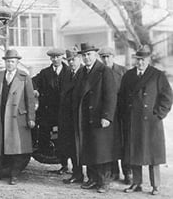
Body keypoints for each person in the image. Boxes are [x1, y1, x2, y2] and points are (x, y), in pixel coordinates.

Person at [119, 47, 172, 196]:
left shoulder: (157, 75)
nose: (140, 62)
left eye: (143, 59)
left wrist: (158, 114)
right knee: (134, 153)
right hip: (133, 121)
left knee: (152, 155)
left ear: (148, 60)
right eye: (138, 59)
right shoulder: (128, 76)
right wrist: (125, 116)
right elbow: (122, 97)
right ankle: (137, 183)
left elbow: (167, 97)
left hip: (151, 122)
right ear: (135, 59)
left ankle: (155, 186)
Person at [0, 49, 35, 185]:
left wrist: (31, 118)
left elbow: (30, 99)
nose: (10, 64)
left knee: (16, 149)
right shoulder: (0, 76)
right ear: (5, 62)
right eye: (7, 61)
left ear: (17, 62)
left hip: (17, 119)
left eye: (12, 61)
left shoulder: (24, 77)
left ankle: (14, 175)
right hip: (0, 117)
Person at [73, 43, 119, 193]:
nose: (86, 58)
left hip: (100, 117)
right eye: (84, 55)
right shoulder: (81, 72)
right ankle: (92, 178)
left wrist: (107, 116)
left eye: (89, 54)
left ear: (95, 55)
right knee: (89, 149)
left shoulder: (104, 71)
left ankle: (104, 181)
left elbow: (111, 96)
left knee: (102, 150)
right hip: (85, 117)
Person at [32, 48, 70, 174]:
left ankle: (66, 165)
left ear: (62, 57)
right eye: (53, 57)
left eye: (58, 57)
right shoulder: (45, 73)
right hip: (48, 112)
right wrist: (36, 89)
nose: (55, 59)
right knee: (48, 136)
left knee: (64, 138)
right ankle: (53, 158)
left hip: (64, 112)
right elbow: (32, 81)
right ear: (50, 59)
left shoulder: (69, 72)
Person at [98, 46, 131, 184]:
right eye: (103, 57)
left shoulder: (123, 71)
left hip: (122, 114)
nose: (106, 59)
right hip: (107, 114)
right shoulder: (99, 72)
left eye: (108, 56)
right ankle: (113, 171)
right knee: (110, 143)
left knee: (124, 143)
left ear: (113, 56)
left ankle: (128, 172)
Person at [58, 49, 85, 184]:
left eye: (73, 60)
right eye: (69, 60)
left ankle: (88, 176)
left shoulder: (84, 73)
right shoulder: (67, 74)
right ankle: (77, 173)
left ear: (79, 59)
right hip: (68, 117)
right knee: (72, 147)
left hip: (80, 117)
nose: (71, 63)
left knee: (82, 147)